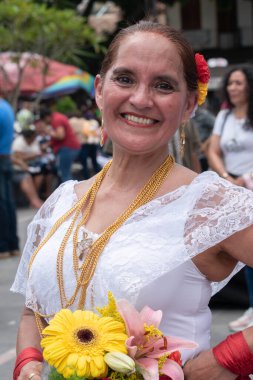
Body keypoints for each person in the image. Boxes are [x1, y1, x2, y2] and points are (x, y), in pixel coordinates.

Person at [11, 21, 253, 380]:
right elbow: (34, 311)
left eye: (163, 85)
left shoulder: (210, 205)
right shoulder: (60, 202)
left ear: (188, 104)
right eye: (124, 79)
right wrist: (28, 366)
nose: (141, 99)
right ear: (99, 89)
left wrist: (220, 363)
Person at [208, 65, 253, 333]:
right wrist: (225, 175)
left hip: (251, 183)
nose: (233, 88)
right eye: (231, 83)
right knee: (241, 250)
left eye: (239, 83)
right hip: (233, 188)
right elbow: (213, 150)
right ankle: (251, 306)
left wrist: (248, 176)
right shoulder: (223, 116)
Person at [37, 108, 81, 183]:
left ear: (46, 117)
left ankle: (69, 193)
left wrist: (48, 131)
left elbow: (60, 136)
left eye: (44, 121)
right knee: (62, 171)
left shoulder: (56, 120)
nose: (46, 123)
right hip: (69, 147)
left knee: (64, 174)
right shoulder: (58, 117)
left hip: (67, 148)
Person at [0, 97, 19, 258]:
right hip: (6, 157)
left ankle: (3, 246)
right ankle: (13, 244)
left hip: (1, 158)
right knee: (8, 202)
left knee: (2, 203)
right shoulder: (6, 107)